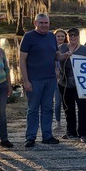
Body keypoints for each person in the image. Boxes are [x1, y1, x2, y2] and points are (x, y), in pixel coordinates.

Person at [18, 11, 60, 148]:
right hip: (34, 80)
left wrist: (67, 55)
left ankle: (47, 135)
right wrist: (25, 81)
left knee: (48, 108)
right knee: (33, 109)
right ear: (35, 23)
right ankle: (30, 137)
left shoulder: (51, 37)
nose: (44, 25)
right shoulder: (28, 37)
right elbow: (22, 61)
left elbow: (56, 56)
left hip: (50, 79)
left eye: (46, 23)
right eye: (41, 23)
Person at [56, 27, 86, 142]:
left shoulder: (84, 50)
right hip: (64, 83)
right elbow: (53, 58)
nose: (73, 37)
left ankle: (83, 133)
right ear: (68, 37)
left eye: (75, 35)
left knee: (82, 109)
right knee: (68, 108)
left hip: (80, 85)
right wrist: (56, 71)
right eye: (71, 35)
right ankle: (71, 131)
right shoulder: (62, 48)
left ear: (78, 36)